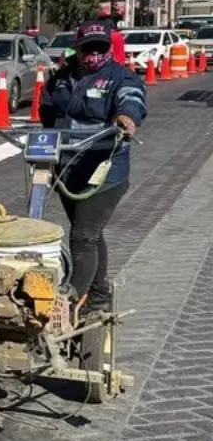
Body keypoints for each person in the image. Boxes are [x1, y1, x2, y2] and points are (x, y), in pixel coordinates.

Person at [39, 21, 147, 315]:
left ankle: (70, 300)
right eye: (87, 49)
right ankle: (99, 296)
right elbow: (48, 108)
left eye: (100, 48)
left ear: (109, 49)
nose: (93, 55)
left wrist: (127, 117)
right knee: (89, 233)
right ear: (78, 48)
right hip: (68, 168)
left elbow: (132, 99)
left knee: (83, 235)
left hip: (104, 172)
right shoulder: (62, 77)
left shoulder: (120, 78)